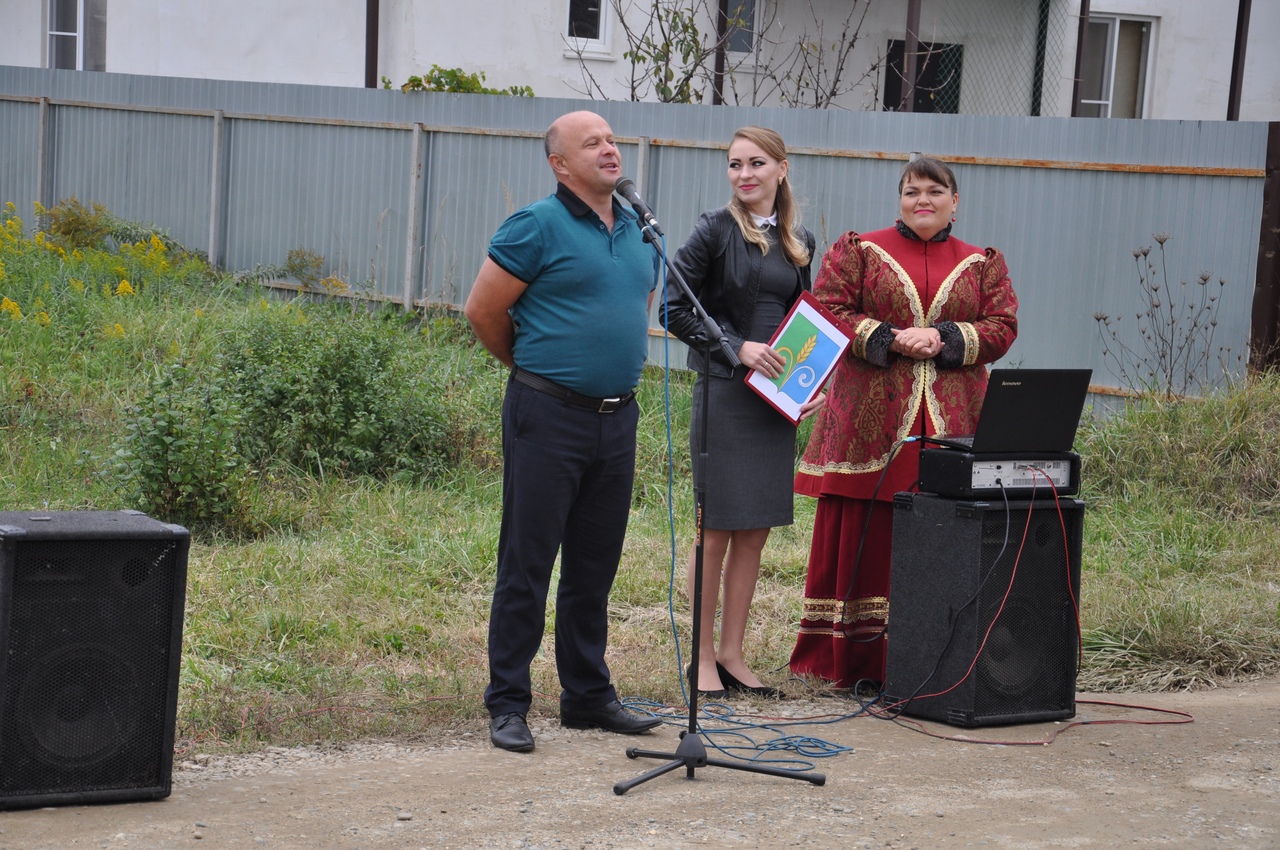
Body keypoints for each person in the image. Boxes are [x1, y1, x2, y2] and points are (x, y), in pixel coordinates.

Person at [464, 110, 662, 753]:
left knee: (594, 565)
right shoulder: (536, 226)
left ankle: (586, 696)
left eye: (611, 139)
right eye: (592, 143)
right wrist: (532, 367)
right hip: (547, 415)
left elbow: (633, 307)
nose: (610, 150)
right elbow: (483, 310)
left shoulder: (638, 226)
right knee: (528, 560)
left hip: (618, 416)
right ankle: (508, 702)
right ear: (560, 163)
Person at [790, 155, 1019, 690]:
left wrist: (943, 338)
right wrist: (893, 337)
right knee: (865, 533)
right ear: (900, 198)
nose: (923, 201)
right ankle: (854, 662)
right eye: (912, 191)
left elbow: (1003, 326)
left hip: (952, 419)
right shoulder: (859, 251)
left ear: (954, 203)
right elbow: (828, 310)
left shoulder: (983, 262)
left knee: (943, 531)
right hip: (870, 420)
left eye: (935, 192)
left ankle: (936, 656)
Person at [662, 127, 821, 698]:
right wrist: (736, 346)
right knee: (716, 531)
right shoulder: (714, 229)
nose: (744, 175)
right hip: (726, 390)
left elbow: (802, 320)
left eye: (756, 164)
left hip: (775, 398)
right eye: (735, 165)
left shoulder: (797, 238)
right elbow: (675, 307)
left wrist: (808, 382)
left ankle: (732, 654)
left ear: (782, 167)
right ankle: (701, 658)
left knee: (753, 532)